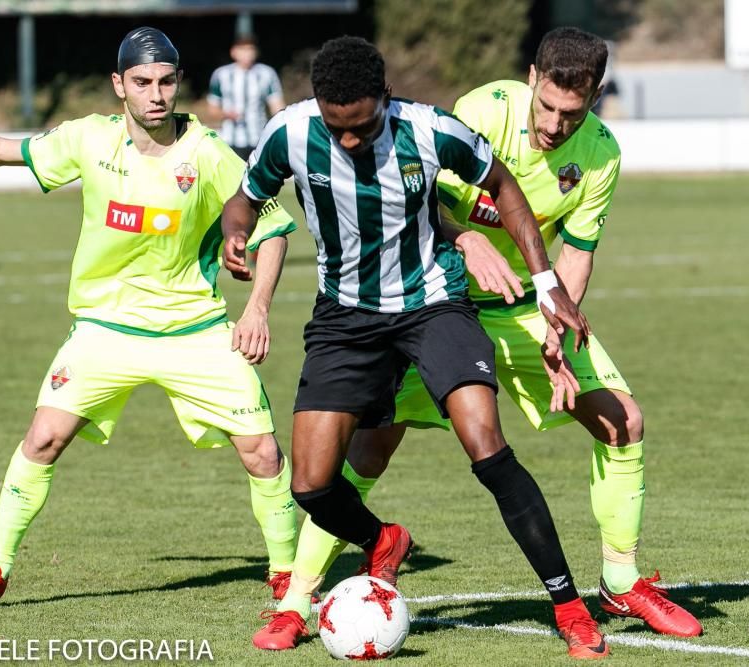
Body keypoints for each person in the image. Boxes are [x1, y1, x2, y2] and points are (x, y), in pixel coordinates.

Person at [276, 27, 703, 642]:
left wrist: (560, 326)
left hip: (523, 306)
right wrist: (464, 236)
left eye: (572, 112)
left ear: (595, 97)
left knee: (622, 422)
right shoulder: (484, 112)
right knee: (367, 450)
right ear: (531, 79)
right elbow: (412, 197)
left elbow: (577, 252)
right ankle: (296, 601)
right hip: (434, 298)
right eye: (548, 106)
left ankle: (620, 582)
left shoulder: (602, 154)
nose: (556, 124)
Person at [223, 36, 610, 660]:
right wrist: (234, 237)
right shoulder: (289, 133)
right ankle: (384, 540)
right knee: (312, 486)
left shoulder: (430, 130)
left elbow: (505, 188)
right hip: (345, 317)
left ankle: (569, 606)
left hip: (433, 306)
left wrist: (546, 285)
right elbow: (246, 199)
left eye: (363, 126)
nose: (350, 141)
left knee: (488, 448)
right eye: (337, 128)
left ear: (385, 98)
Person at [0, 27, 301, 606]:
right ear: (119, 85)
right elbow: (6, 150)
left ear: (178, 82)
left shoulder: (207, 153)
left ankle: (286, 572)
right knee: (43, 438)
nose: (156, 94)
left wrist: (256, 308)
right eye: (141, 82)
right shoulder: (88, 139)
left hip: (194, 330)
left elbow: (275, 226)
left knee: (261, 450)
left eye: (165, 81)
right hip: (105, 330)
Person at [207, 34, 284, 161]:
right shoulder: (221, 74)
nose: (247, 54)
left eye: (250, 49)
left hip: (258, 138)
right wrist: (227, 114)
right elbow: (212, 109)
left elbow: (277, 107)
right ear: (234, 52)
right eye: (242, 49)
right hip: (230, 140)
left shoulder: (267, 73)